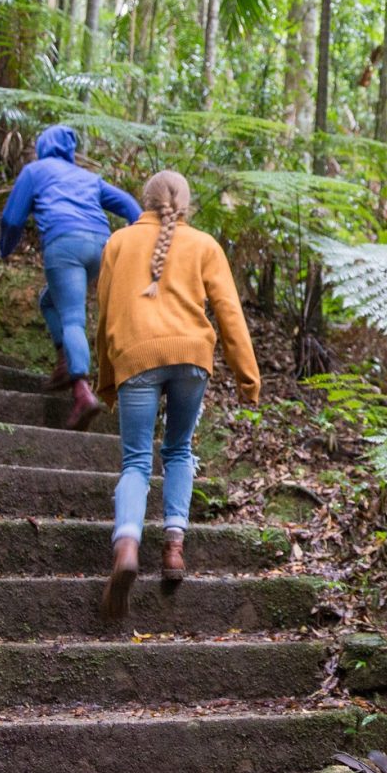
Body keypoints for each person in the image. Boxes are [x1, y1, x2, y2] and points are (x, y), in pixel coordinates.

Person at [94, 170, 260, 619]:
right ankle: (173, 547)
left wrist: (108, 377)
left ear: (143, 202)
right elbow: (229, 311)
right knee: (179, 450)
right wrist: (248, 378)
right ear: (185, 205)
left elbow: (107, 314)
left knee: (135, 462)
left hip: (137, 357)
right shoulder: (205, 245)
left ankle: (127, 544)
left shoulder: (118, 243)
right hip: (191, 358)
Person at [0, 125, 141, 429]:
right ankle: (65, 363)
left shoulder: (35, 171)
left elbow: (12, 219)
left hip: (64, 245)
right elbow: (130, 206)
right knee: (50, 301)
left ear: (42, 147)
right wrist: (136, 238)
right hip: (102, 248)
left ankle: (81, 391)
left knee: (73, 317)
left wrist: (4, 249)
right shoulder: (89, 178)